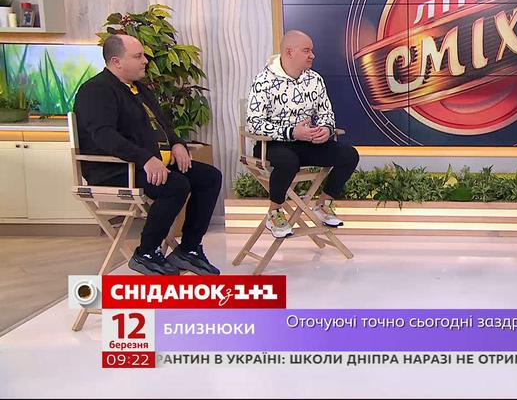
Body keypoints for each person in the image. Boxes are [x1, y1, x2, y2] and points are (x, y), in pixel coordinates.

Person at [74, 34, 223, 276]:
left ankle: (189, 249)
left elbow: (163, 125)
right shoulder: (96, 90)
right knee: (175, 185)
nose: (145, 61)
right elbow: (104, 136)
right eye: (138, 56)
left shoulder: (140, 89)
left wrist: (177, 144)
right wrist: (144, 158)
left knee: (209, 177)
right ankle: (146, 252)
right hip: (116, 169)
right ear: (116, 62)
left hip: (151, 163)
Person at [246, 30, 360, 238]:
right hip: (273, 144)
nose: (312, 55)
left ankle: (323, 204)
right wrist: (291, 132)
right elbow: (254, 123)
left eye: (311, 51)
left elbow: (326, 114)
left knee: (349, 155)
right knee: (288, 162)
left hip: (306, 141)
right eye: (307, 51)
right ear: (289, 52)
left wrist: (326, 129)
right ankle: (274, 213)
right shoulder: (263, 81)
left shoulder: (315, 79)